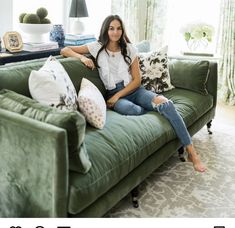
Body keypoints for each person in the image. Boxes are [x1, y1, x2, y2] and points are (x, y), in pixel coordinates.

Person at [60, 15, 206, 172]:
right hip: (112, 93)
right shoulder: (96, 47)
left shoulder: (129, 49)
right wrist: (82, 57)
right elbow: (64, 49)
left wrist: (118, 96)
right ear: (106, 30)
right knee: (132, 110)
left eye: (118, 28)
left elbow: (137, 80)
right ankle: (152, 109)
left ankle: (191, 152)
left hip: (134, 90)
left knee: (167, 104)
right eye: (111, 28)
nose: (115, 32)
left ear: (122, 30)